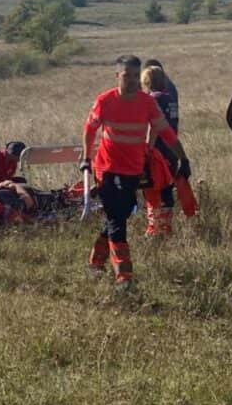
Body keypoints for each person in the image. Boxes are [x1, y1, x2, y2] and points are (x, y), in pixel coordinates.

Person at [81, 55, 191, 288]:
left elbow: (166, 133)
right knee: (118, 222)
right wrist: (86, 158)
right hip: (107, 169)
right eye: (126, 75)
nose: (131, 80)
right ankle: (124, 277)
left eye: (134, 76)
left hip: (134, 169)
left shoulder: (147, 103)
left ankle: (95, 263)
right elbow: (90, 130)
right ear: (117, 76)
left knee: (118, 215)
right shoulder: (105, 101)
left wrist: (183, 158)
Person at [140, 65, 179, 236]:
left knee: (153, 188)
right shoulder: (169, 98)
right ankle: (165, 227)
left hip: (158, 152)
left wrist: (148, 148)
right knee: (167, 188)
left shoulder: (153, 99)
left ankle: (155, 229)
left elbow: (154, 126)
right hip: (171, 150)